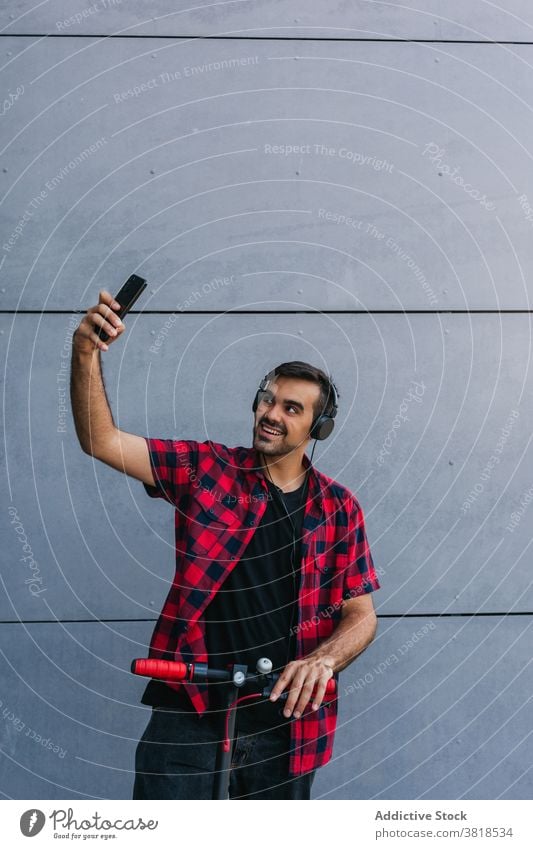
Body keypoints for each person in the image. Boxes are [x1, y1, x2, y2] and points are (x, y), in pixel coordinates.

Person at [71, 289, 381, 800]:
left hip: (286, 724)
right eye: (267, 398)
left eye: (291, 407)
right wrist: (85, 352)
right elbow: (100, 440)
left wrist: (322, 661)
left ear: (317, 428)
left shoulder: (338, 508)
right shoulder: (205, 469)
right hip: (189, 713)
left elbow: (361, 614)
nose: (271, 413)